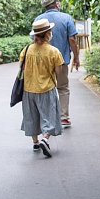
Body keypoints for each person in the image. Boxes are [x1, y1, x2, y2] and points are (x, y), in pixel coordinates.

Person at [20, 18, 64, 157]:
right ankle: (45, 139)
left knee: (32, 116)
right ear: (47, 34)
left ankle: (35, 142)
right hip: (46, 88)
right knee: (49, 116)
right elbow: (58, 72)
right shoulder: (53, 51)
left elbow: (22, 67)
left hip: (28, 89)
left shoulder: (26, 50)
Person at [34, 0, 79, 127]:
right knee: (63, 88)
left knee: (45, 88)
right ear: (57, 4)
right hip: (62, 61)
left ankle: (46, 117)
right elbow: (72, 39)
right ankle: (63, 117)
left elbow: (34, 41)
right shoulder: (66, 18)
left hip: (43, 62)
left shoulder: (39, 19)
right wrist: (76, 57)